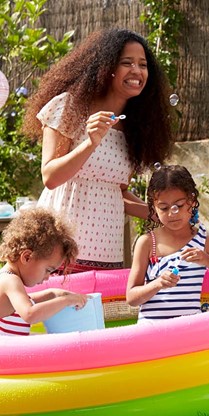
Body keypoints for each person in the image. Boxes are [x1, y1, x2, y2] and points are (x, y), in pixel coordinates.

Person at [22, 28, 175, 273]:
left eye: (143, 65)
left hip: (107, 251)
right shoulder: (69, 107)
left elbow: (118, 191)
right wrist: (90, 142)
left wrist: (158, 214)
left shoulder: (134, 127)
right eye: (127, 63)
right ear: (107, 67)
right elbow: (50, 177)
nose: (137, 71)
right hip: (57, 249)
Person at [126, 165, 209, 320]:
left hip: (190, 331)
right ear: (154, 207)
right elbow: (131, 298)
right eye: (164, 208)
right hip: (152, 331)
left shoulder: (205, 242)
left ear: (191, 201)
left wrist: (207, 259)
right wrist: (157, 284)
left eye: (178, 205)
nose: (172, 213)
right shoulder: (147, 243)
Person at [0, 207, 87, 336]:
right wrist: (66, 301)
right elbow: (30, 314)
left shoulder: (9, 280)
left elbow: (26, 301)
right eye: (48, 270)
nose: (47, 277)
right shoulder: (10, 280)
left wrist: (52, 294)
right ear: (27, 257)